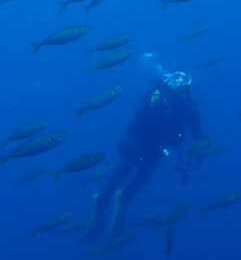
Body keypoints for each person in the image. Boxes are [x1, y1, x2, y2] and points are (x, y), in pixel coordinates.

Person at [82, 67, 203, 241]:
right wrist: (128, 139)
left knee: (139, 178)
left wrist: (199, 152)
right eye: (177, 80)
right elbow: (139, 115)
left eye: (186, 82)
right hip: (139, 143)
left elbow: (197, 131)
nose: (181, 86)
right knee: (121, 174)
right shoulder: (159, 95)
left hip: (156, 148)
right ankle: (102, 203)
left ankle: (120, 200)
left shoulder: (188, 106)